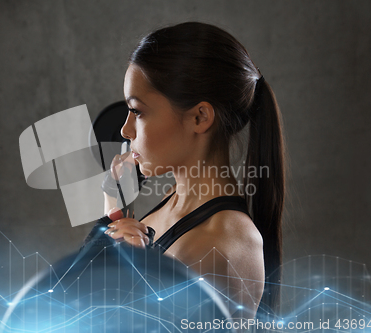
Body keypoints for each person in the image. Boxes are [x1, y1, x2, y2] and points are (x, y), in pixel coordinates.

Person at [102, 22, 286, 321]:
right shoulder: (178, 201)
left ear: (200, 117)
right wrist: (113, 211)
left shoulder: (215, 246)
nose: (125, 130)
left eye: (138, 112)